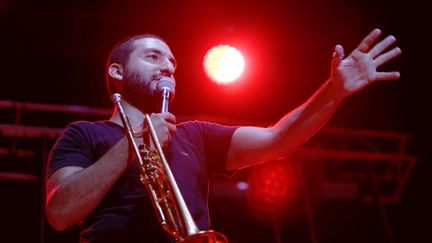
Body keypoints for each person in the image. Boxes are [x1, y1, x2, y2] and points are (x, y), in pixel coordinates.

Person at [45, 29, 401, 242]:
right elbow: (60, 212)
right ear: (117, 71)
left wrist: (334, 90)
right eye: (153, 57)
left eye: (172, 63)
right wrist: (136, 142)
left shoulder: (196, 135)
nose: (168, 67)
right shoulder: (83, 135)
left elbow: (279, 140)